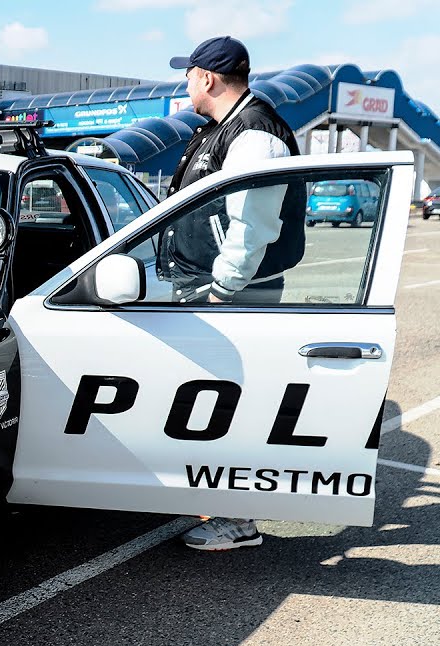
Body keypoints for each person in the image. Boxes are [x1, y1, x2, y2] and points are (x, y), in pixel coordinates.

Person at [161, 36, 305, 550]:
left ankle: (238, 518)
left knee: (229, 402)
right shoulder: (225, 128)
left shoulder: (254, 134)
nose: (186, 82)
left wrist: (224, 288)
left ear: (208, 78)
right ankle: (215, 499)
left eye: (189, 73)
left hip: (235, 294)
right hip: (211, 288)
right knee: (211, 397)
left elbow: (253, 226)